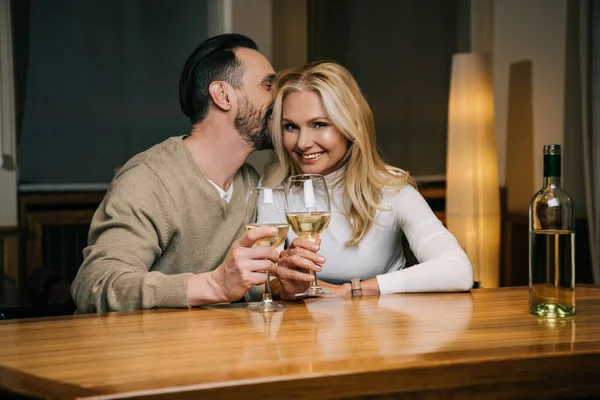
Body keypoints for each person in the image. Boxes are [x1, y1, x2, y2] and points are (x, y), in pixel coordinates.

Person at [71, 34, 314, 313]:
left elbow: (240, 282)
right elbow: (95, 285)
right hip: (137, 351)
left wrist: (280, 284)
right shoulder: (148, 179)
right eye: (268, 86)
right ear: (223, 95)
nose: (279, 99)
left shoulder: (251, 183)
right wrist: (213, 285)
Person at [262, 61, 474, 299]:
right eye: (290, 127)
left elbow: (458, 269)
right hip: (305, 331)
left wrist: (353, 290)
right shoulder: (274, 188)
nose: (302, 143)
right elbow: (257, 285)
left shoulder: (391, 189)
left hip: (381, 330)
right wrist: (285, 286)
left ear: (350, 125)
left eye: (319, 124)